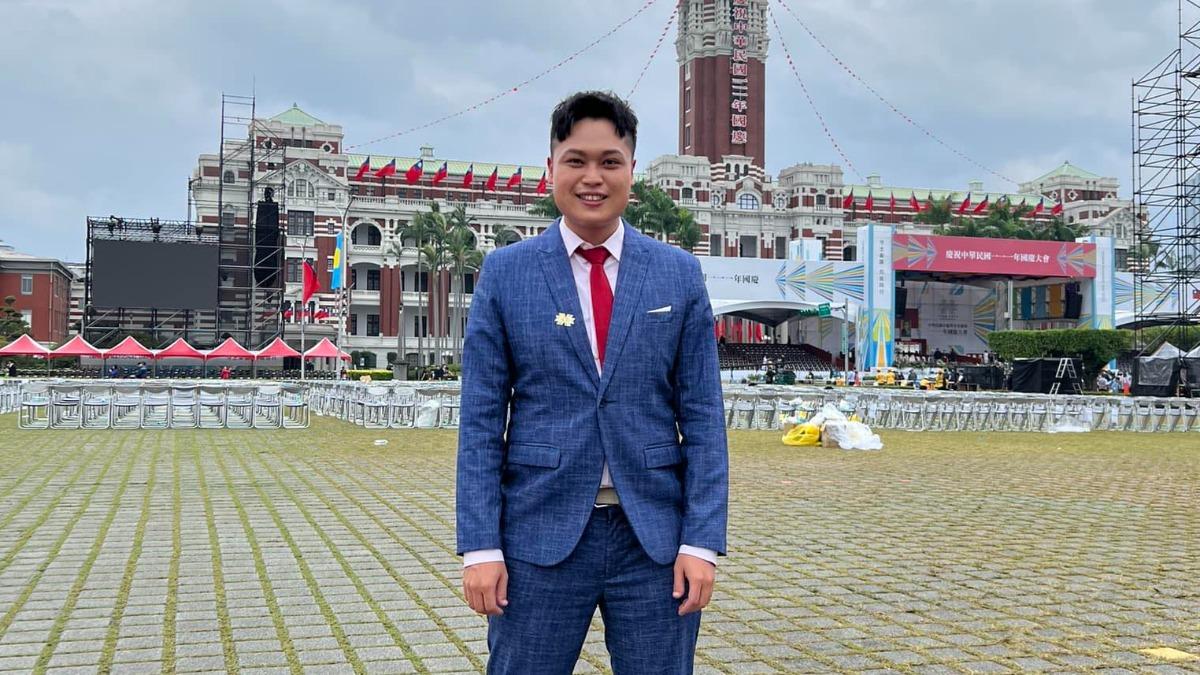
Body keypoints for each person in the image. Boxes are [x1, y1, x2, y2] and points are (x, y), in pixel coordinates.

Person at [457, 91, 727, 674]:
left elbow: (705, 418)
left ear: (632, 170)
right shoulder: (506, 273)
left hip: (655, 542)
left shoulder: (678, 274)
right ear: (551, 167)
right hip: (538, 537)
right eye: (576, 160)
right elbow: (480, 422)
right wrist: (480, 547)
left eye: (610, 161)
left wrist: (701, 542)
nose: (592, 177)